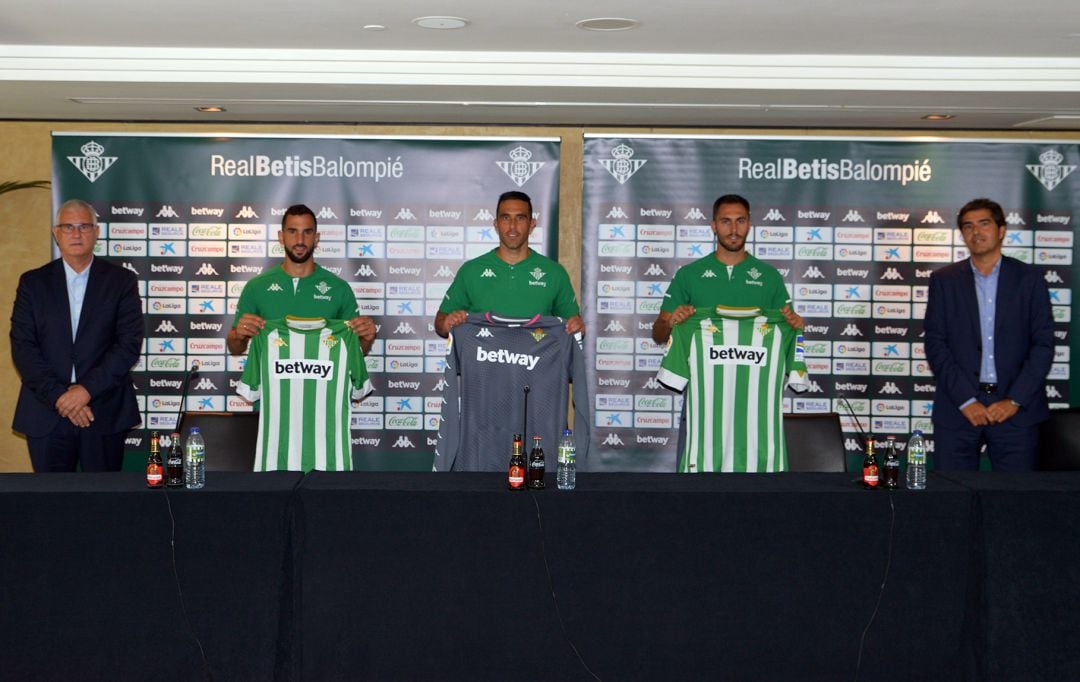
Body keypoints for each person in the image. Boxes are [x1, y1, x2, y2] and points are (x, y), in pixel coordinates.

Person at [10, 199, 144, 471]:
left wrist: (85, 391)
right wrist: (62, 397)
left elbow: (127, 344)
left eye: (84, 226)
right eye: (68, 227)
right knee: (51, 506)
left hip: (103, 409)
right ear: (56, 233)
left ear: (96, 232)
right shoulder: (33, 283)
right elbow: (23, 347)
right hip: (46, 410)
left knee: (103, 504)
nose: (76, 233)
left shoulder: (122, 281)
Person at [924, 197, 1053, 471]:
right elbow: (936, 344)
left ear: (1001, 230)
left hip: (1017, 412)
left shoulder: (1029, 279)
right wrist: (966, 400)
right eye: (968, 226)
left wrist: (1015, 399)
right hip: (958, 410)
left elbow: (1043, 344)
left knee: (1016, 503)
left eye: (984, 224)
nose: (976, 232)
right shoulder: (944, 281)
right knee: (952, 501)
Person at [652, 194, 802, 345]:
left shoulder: (770, 276)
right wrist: (670, 323)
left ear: (749, 225)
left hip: (754, 368)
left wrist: (795, 324)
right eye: (725, 221)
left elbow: (788, 334)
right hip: (700, 368)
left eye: (740, 221)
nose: (734, 230)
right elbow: (658, 336)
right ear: (714, 226)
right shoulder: (688, 274)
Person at [228, 204, 376, 355]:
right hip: (269, 379)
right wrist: (238, 337)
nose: (300, 240)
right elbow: (235, 349)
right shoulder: (256, 287)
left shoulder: (339, 288)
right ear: (281, 237)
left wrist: (366, 339)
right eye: (292, 231)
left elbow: (355, 352)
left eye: (307, 232)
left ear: (316, 238)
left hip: (324, 378)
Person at [434, 190, 584, 338]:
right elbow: (440, 323)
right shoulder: (471, 271)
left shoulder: (554, 272)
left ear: (531, 224)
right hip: (484, 362)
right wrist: (447, 323)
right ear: (496, 224)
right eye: (506, 218)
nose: (512, 226)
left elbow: (575, 325)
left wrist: (578, 326)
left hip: (539, 362)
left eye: (520, 218)